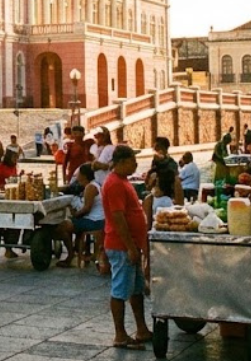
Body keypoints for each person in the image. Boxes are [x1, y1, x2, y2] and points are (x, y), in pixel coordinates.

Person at [103, 145, 152, 350]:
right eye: (133, 160)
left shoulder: (123, 182)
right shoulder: (114, 184)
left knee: (136, 289)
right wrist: (131, 246)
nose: (136, 164)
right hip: (121, 245)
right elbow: (118, 217)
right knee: (121, 289)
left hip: (130, 245)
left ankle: (141, 328)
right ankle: (120, 334)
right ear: (122, 162)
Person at [58, 163, 106, 271]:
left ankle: (70, 255)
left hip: (95, 221)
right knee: (70, 223)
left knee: (63, 226)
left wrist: (75, 216)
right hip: (95, 219)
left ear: (84, 175)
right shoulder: (92, 185)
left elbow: (86, 208)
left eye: (78, 173)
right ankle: (78, 248)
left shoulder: (91, 187)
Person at [146, 136, 183, 202]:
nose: (154, 151)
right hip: (157, 196)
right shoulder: (156, 162)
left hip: (167, 198)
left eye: (155, 148)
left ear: (161, 148)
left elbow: (174, 183)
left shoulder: (171, 164)